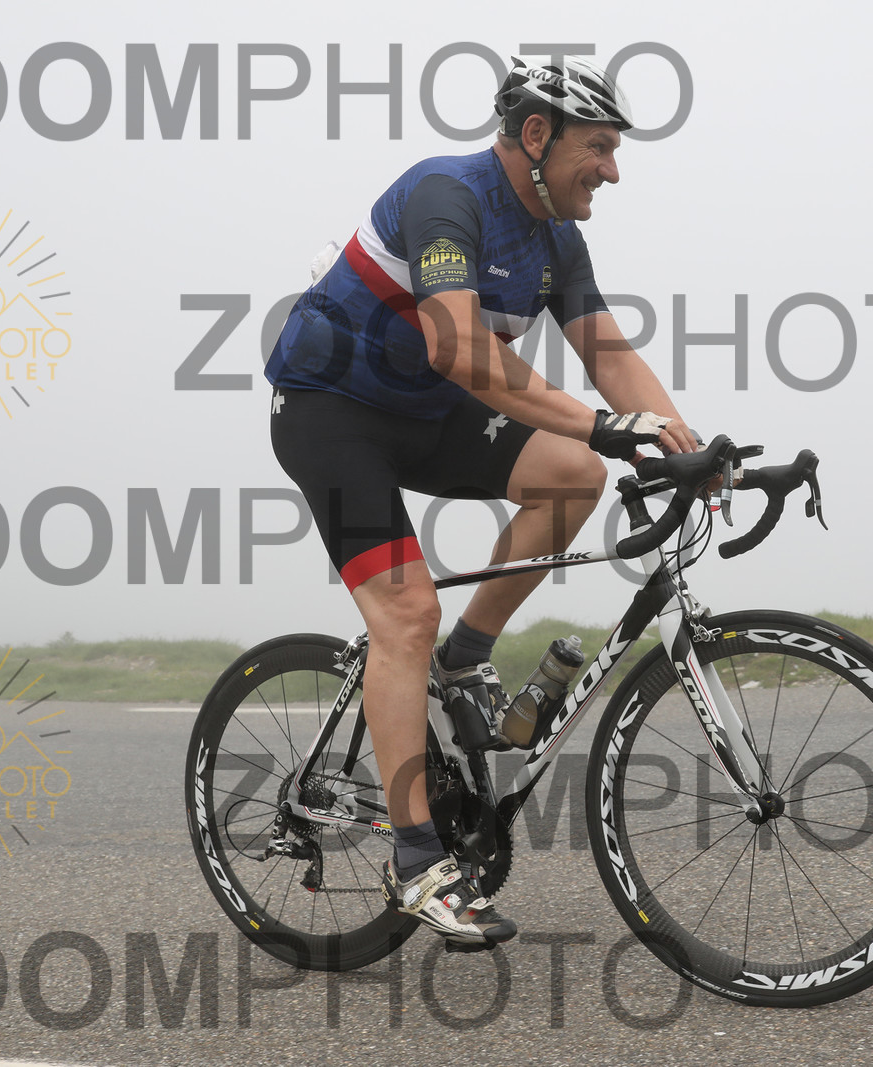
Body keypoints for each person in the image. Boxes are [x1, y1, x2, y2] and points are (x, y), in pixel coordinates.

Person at [264, 57, 700, 949]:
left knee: (574, 474)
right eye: (599, 148)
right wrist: (603, 425)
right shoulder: (446, 197)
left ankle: (464, 659)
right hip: (330, 410)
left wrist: (684, 445)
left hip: (426, 415)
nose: (613, 171)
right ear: (536, 135)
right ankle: (417, 859)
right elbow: (460, 350)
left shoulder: (554, 238)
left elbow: (609, 354)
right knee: (405, 614)